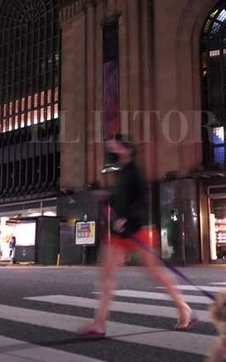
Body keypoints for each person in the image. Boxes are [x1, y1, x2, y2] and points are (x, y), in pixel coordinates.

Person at [77, 133, 196, 338]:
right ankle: (99, 324)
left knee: (155, 272)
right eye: (111, 148)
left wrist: (128, 219)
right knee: (106, 274)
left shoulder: (136, 172)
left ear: (126, 149)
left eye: (114, 147)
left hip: (139, 230)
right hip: (118, 233)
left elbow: (143, 201)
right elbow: (119, 199)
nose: (111, 150)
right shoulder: (120, 173)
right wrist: (107, 200)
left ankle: (183, 308)